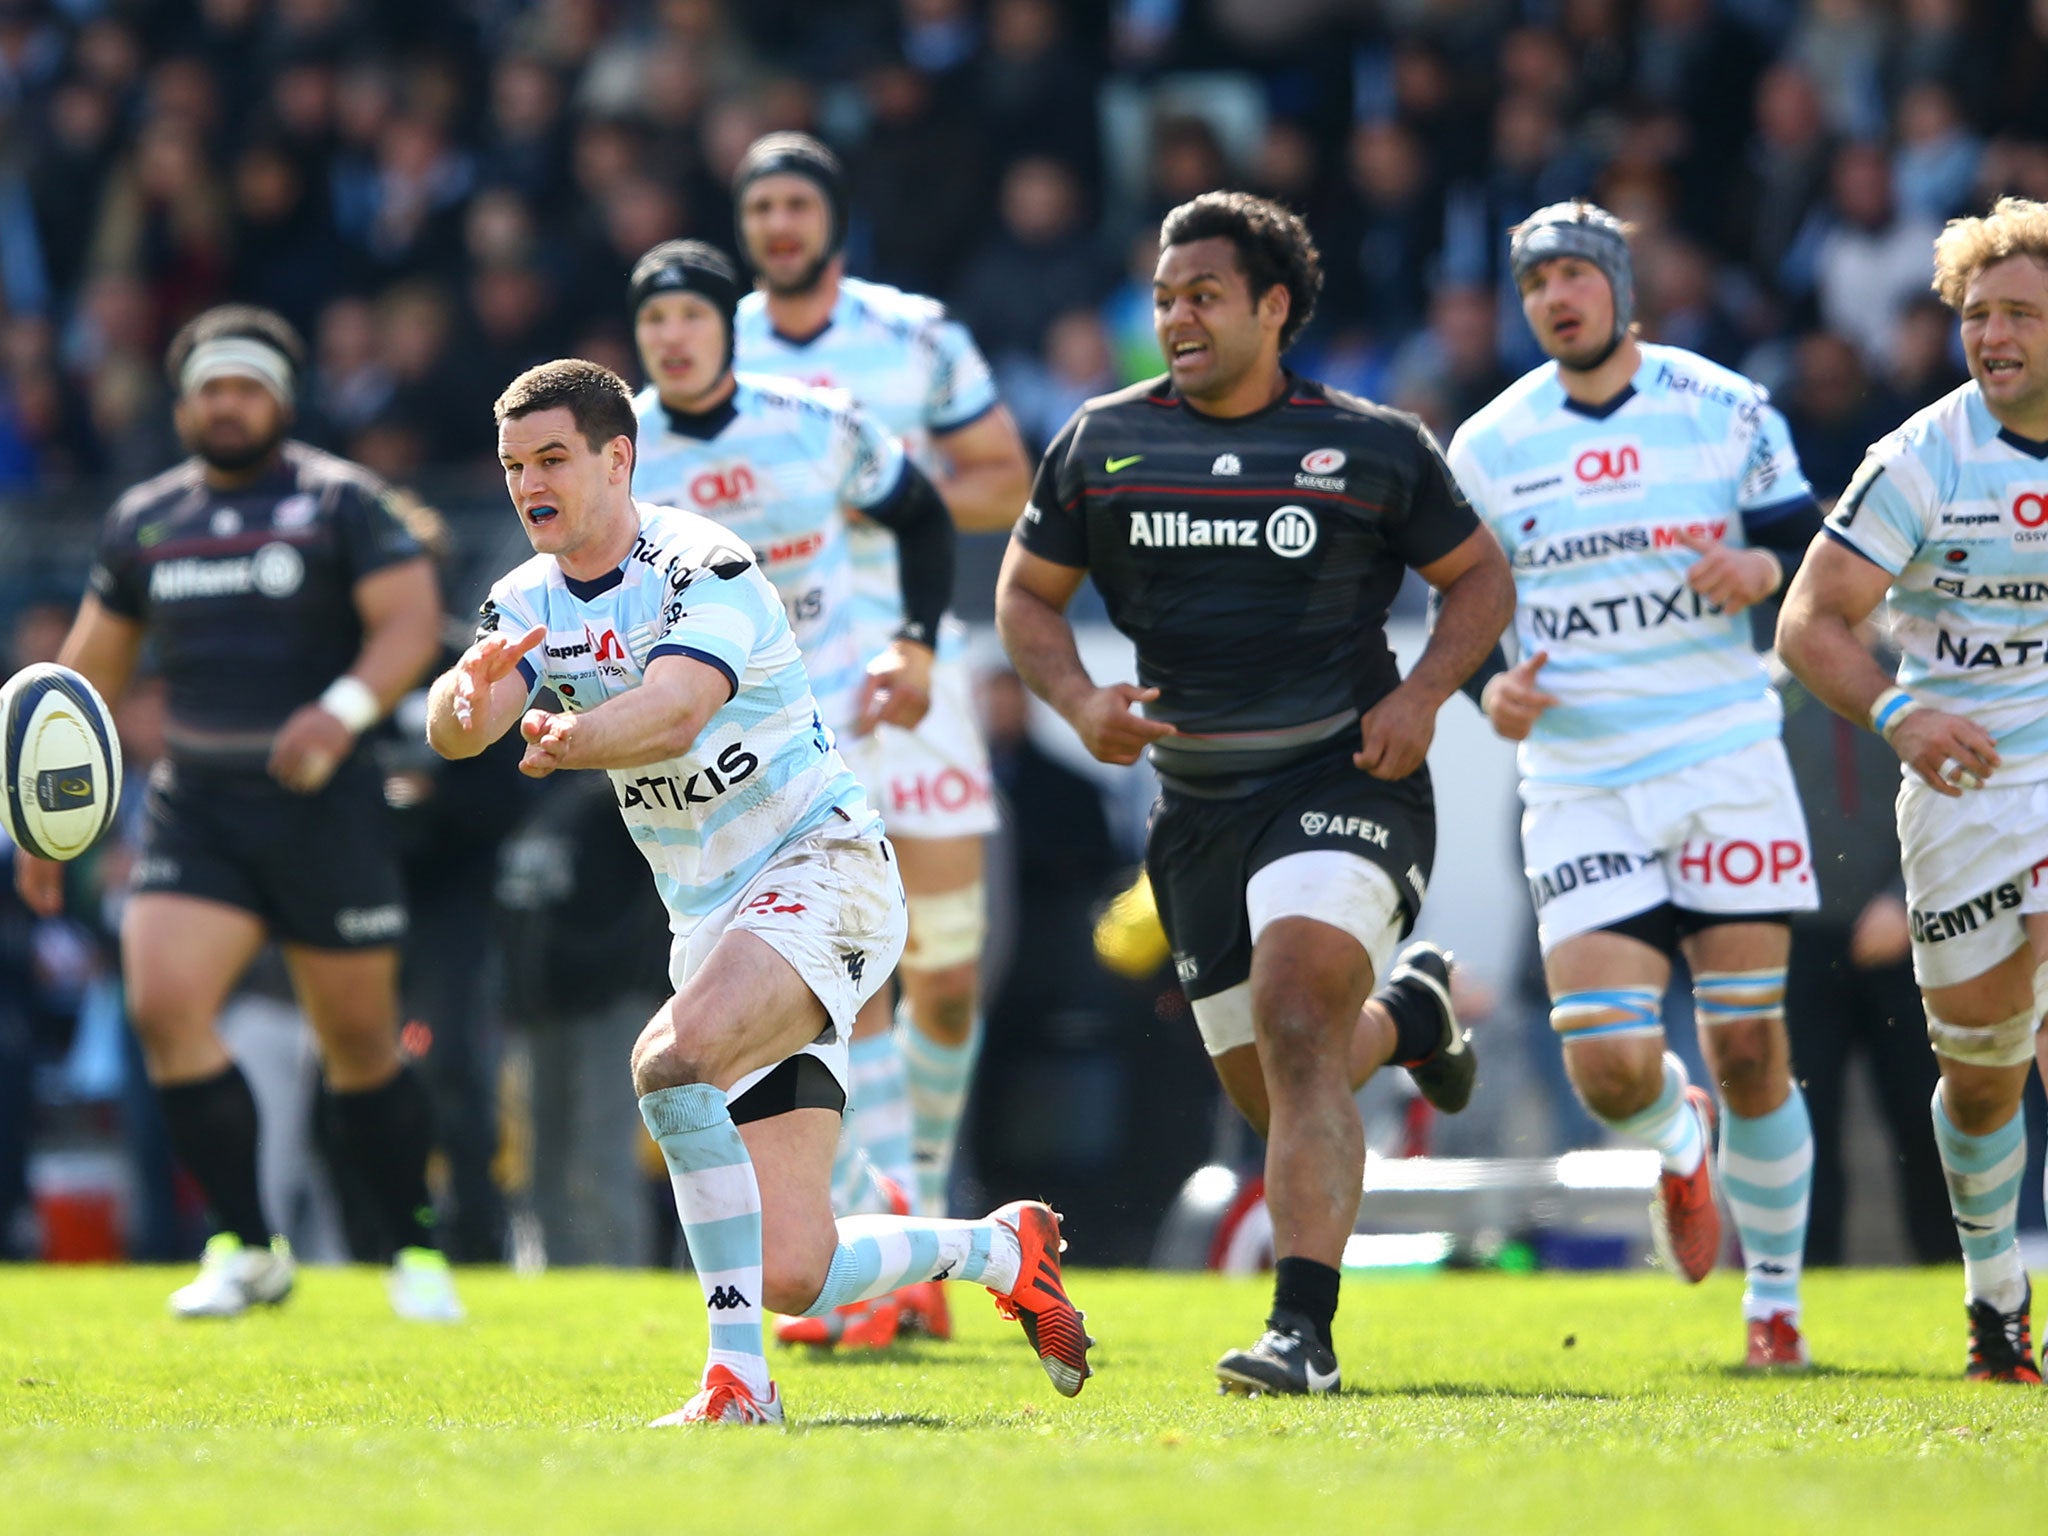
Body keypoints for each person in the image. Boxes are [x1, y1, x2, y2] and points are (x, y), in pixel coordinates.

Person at [426, 358, 1089, 1425]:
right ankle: (998, 1248)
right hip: (712, 920)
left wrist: (568, 737)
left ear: (617, 457)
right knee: (793, 1269)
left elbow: (678, 710)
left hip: (820, 871)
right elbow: (459, 729)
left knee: (669, 1063)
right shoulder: (522, 598)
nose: (527, 482)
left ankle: (735, 1385)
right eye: (512, 465)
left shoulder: (702, 561)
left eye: (551, 457)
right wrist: (464, 698)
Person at [995, 190, 1509, 1395]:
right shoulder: (1099, 441)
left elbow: (1476, 577)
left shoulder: (1373, 444)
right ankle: (1411, 1019)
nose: (1174, 316)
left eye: (1202, 296)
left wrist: (1424, 691)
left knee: (1291, 1015)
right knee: (1286, 1076)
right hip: (1194, 812)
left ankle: (1302, 1337)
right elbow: (1025, 597)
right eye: (1164, 297)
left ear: (1273, 308)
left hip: (1345, 776)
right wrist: (1077, 702)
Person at [12, 304, 460, 1320]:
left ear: (282, 398)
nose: (227, 404)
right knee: (163, 1005)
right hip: (198, 806)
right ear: (183, 403)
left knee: (360, 1044)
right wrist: (42, 824)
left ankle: (411, 1249)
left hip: (322, 803)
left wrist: (340, 714)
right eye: (210, 387)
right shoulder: (145, 520)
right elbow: (79, 684)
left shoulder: (341, 502)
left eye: (246, 385)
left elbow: (410, 621)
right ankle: (247, 1244)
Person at [1445, 201, 1826, 1368]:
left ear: (1618, 286)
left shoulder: (1723, 407)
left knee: (1750, 1044)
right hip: (1576, 773)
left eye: (1574, 275)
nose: (1556, 298)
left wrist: (1759, 565)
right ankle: (1674, 1133)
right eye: (1535, 284)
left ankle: (1773, 1305)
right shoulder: (1489, 444)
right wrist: (1485, 697)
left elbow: (1809, 555)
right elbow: (1460, 612)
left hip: (1720, 752)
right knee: (1609, 1071)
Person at [626, 236, 961, 1344]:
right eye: (652, 319)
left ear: (731, 322)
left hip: (825, 743)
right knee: (779, 1012)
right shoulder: (616, 454)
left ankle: (887, 1219)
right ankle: (873, 1244)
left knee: (844, 987)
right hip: (695, 778)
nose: (670, 336)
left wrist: (913, 644)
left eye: (688, 314)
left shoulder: (812, 419)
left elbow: (920, 510)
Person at [731, 135, 1026, 1301]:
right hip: (779, 682)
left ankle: (923, 1183)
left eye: (797, 202)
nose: (779, 224)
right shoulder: (721, 350)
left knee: (947, 972)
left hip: (912, 667)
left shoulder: (913, 334)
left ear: (835, 218)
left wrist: (868, 493)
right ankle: (893, 1225)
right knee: (853, 968)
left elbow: (1002, 476)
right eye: (759, 207)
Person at [1778, 195, 2048, 1382]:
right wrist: (1898, 711)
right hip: (1961, 787)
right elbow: (1807, 622)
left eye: (2021, 315)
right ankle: (1994, 1294)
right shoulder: (1920, 457)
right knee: (1980, 1080)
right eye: (1977, 314)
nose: (1993, 336)